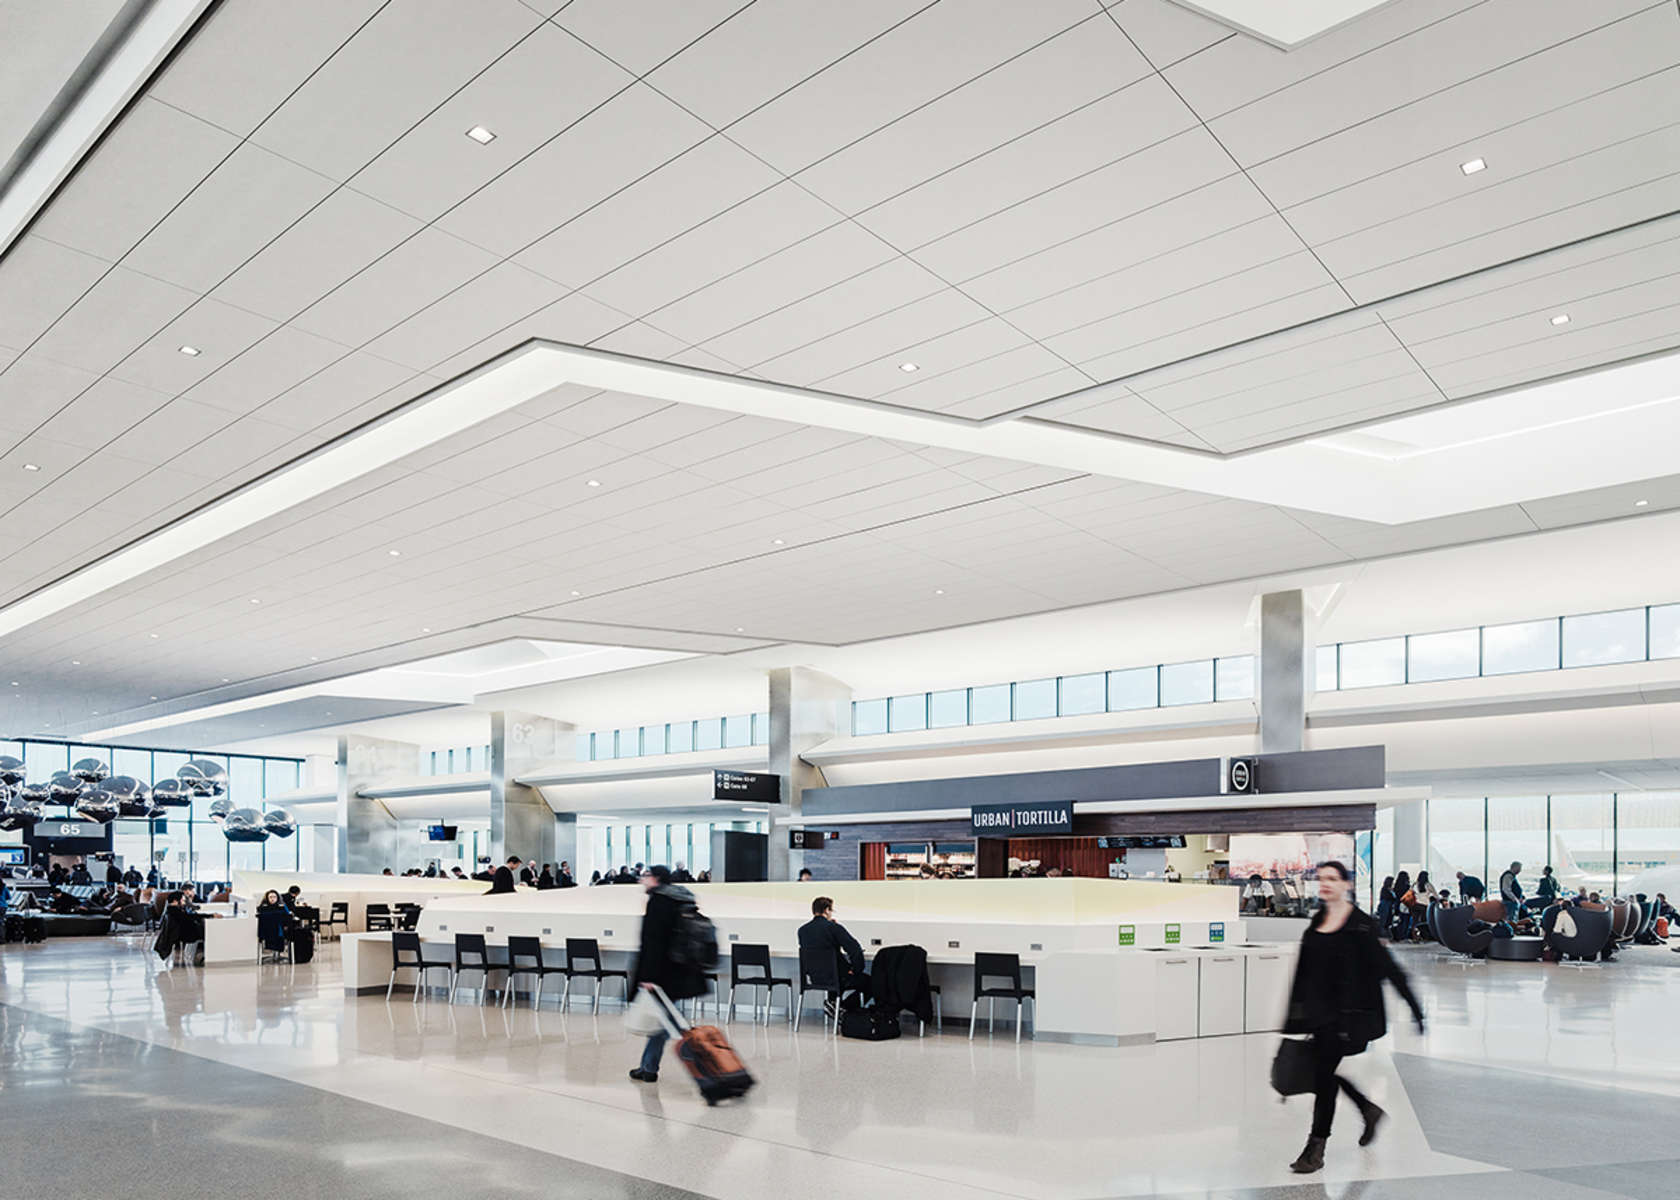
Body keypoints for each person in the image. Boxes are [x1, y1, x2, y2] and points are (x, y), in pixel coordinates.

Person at [1282, 860, 1424, 1175]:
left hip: (1349, 1018)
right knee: (1324, 1075)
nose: (1326, 884)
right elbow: (1304, 975)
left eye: (1333, 878)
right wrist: (1296, 1016)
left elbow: (1389, 969)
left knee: (1323, 1076)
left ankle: (1315, 1148)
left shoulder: (1360, 925)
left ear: (1347, 884)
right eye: (1322, 879)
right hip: (1319, 1015)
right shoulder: (1318, 921)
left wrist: (1415, 1009)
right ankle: (1367, 1109)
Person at [627, 866, 707, 1084]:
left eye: (645, 876)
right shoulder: (682, 899)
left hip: (663, 973)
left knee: (672, 1023)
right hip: (682, 970)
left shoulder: (659, 902)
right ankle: (648, 1067)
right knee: (665, 1019)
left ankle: (707, 1066)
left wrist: (648, 976)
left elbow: (653, 943)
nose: (642, 880)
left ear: (655, 879)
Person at [797, 894, 867, 1011]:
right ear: (827, 910)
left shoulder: (802, 930)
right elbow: (854, 949)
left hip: (815, 978)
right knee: (870, 983)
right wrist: (856, 969)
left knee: (835, 974)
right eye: (831, 911)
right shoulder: (834, 928)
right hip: (837, 978)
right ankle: (842, 1008)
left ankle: (833, 1005)